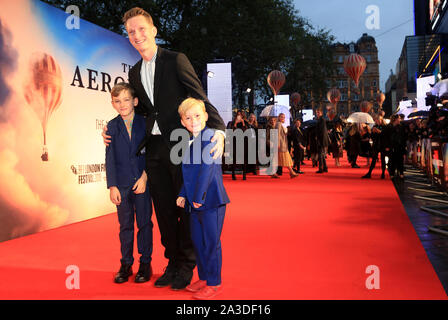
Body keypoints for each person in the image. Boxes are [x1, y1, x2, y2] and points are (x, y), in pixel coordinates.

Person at [103, 7, 226, 290]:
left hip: (181, 147)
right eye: (131, 32)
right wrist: (110, 128)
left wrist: (218, 130)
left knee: (186, 208)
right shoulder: (134, 73)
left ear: (154, 30)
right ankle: (172, 261)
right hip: (155, 150)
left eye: (141, 29)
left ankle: (186, 264)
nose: (137, 35)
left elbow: (198, 95)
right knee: (164, 210)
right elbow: (140, 112)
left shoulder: (175, 60)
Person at [176, 98, 229, 299]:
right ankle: (204, 277)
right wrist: (183, 194)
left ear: (206, 116)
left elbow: (207, 170)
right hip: (194, 201)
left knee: (211, 242)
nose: (193, 120)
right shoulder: (190, 141)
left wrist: (198, 197)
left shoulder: (210, 137)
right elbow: (190, 174)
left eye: (197, 116)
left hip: (211, 201)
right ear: (182, 122)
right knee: (198, 242)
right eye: (188, 118)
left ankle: (214, 282)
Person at [105, 82, 153, 284]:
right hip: (122, 185)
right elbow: (110, 158)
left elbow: (153, 154)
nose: (122, 104)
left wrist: (145, 176)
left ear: (135, 101)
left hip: (142, 183)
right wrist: (112, 186)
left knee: (144, 224)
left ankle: (145, 263)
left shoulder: (146, 123)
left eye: (126, 99)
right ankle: (126, 264)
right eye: (117, 101)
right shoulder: (112, 126)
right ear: (113, 103)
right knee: (125, 226)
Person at [271, 113, 299, 179]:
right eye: (281, 117)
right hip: (280, 145)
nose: (283, 118)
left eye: (284, 117)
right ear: (279, 117)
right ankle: (291, 172)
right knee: (285, 158)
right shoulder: (278, 124)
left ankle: (274, 173)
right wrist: (277, 143)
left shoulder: (280, 124)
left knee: (279, 159)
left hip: (282, 144)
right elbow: (277, 134)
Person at [362, 114, 387, 179]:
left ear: (381, 120)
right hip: (376, 145)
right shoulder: (374, 126)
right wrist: (372, 132)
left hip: (383, 145)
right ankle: (369, 173)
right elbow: (372, 137)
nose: (376, 121)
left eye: (377, 120)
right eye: (376, 120)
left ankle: (383, 173)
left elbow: (386, 136)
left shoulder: (384, 127)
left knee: (383, 159)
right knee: (373, 159)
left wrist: (379, 132)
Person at [227, 110, 249, 180]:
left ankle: (244, 175)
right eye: (238, 114)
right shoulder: (231, 122)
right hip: (234, 142)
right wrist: (235, 124)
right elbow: (230, 132)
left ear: (242, 116)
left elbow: (246, 132)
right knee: (234, 158)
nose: (239, 116)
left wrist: (243, 123)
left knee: (244, 158)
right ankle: (233, 174)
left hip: (243, 142)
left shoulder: (245, 122)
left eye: (240, 115)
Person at [315, 108, 330, 173]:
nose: (317, 114)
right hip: (322, 139)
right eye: (316, 112)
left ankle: (321, 168)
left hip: (321, 140)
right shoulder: (320, 120)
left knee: (320, 155)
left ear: (321, 113)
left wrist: (318, 139)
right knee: (322, 155)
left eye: (318, 112)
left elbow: (321, 131)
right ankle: (325, 168)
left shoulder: (321, 120)